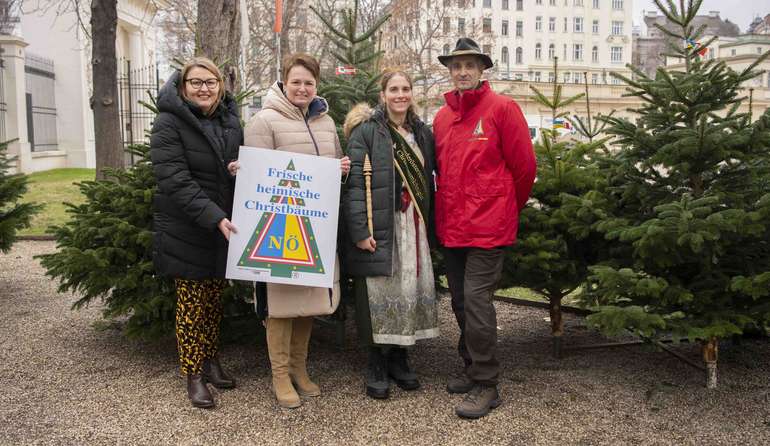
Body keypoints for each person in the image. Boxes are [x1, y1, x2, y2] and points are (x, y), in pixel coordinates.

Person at [433, 38, 537, 419]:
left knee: (477, 301)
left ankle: (488, 383)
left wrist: (505, 207)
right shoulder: (443, 117)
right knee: (460, 301)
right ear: (450, 70)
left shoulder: (502, 109)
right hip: (454, 226)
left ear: (481, 69)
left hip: (489, 227)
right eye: (456, 65)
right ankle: (471, 368)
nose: (462, 71)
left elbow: (525, 168)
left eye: (470, 65)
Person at [241, 53, 351, 409]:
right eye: (296, 82)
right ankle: (279, 375)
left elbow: (332, 171)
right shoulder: (264, 121)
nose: (303, 88)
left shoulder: (326, 122)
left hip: (317, 225)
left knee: (308, 303)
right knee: (280, 305)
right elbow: (258, 178)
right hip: (280, 229)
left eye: (309, 83)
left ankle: (300, 369)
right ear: (284, 82)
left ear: (316, 85)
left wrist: (341, 168)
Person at [150, 57, 242, 409]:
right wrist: (214, 216)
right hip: (187, 227)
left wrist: (236, 169)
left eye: (211, 82)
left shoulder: (230, 119)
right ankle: (193, 375)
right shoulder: (168, 122)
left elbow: (231, 163)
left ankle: (211, 360)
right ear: (183, 86)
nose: (204, 88)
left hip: (222, 226)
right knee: (191, 302)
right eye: (196, 82)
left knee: (214, 299)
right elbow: (174, 178)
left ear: (220, 85)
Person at [342, 69, 439, 400]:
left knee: (408, 286)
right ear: (382, 95)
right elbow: (354, 186)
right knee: (378, 290)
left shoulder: (422, 134)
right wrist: (359, 230)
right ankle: (376, 362)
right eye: (393, 89)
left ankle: (400, 358)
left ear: (412, 94)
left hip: (414, 225)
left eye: (406, 88)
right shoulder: (366, 132)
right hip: (381, 225)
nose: (400, 95)